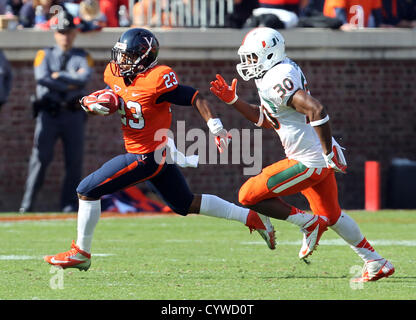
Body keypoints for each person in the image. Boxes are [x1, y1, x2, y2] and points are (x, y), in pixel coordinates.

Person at [43, 28, 276, 271]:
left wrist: (216, 128)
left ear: (144, 58)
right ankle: (251, 218)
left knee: (86, 190)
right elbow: (116, 97)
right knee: (184, 204)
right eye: (120, 55)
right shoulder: (113, 73)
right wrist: (91, 104)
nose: (120, 61)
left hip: (146, 156)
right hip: (157, 153)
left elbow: (196, 97)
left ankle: (81, 253)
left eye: (128, 56)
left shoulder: (158, 79)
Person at [209, 27, 394, 282]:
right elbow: (267, 118)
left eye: (252, 57)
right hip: (317, 156)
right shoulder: (275, 72)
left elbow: (316, 109)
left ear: (269, 54)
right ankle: (376, 262)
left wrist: (328, 152)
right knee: (332, 215)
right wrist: (233, 102)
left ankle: (308, 223)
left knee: (248, 195)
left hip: (309, 161)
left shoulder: (277, 77)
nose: (248, 63)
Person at [19, 11, 93, 213]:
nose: (65, 36)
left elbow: (84, 78)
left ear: (75, 33)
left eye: (68, 32)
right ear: (55, 34)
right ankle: (27, 205)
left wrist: (59, 75)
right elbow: (42, 78)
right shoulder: (44, 54)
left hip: (73, 114)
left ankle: (69, 205)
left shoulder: (83, 56)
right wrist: (70, 82)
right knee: (40, 159)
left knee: (74, 161)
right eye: (61, 32)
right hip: (48, 114)